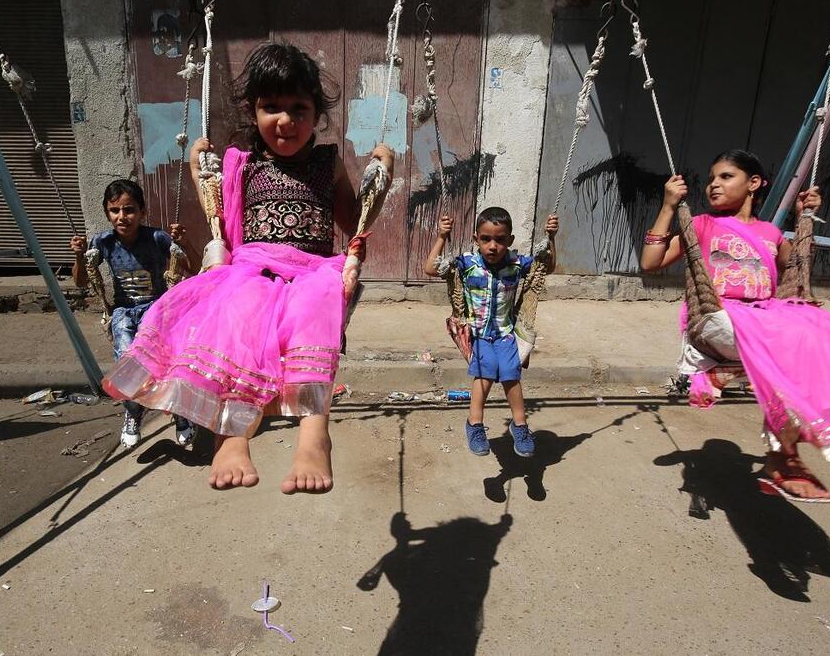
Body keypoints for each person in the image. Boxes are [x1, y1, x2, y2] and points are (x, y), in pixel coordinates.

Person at [103, 42, 394, 494]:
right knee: (238, 319)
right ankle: (231, 435)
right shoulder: (243, 164)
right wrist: (201, 168)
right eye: (271, 107)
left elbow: (351, 219)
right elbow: (223, 219)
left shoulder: (328, 162)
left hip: (313, 269)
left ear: (317, 114)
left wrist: (381, 176)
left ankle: (314, 435)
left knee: (316, 312)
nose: (286, 120)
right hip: (252, 267)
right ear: (252, 111)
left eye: (299, 108)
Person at [640, 149, 830, 503]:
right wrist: (668, 207)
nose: (713, 185)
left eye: (725, 176)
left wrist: (804, 221)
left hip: (766, 319)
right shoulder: (702, 225)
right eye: (711, 179)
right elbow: (651, 262)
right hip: (719, 318)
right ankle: (783, 458)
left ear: (754, 183)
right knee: (794, 341)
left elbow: (796, 273)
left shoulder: (770, 233)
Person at [423, 208, 559, 458]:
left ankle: (520, 426)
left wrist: (551, 238)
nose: (493, 246)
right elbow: (431, 268)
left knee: (510, 373)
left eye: (500, 240)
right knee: (485, 373)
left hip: (506, 333)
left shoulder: (517, 264)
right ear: (476, 239)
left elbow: (546, 268)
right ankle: (474, 424)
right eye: (486, 239)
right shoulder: (467, 264)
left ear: (510, 240)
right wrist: (442, 236)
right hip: (477, 333)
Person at [70, 180, 195, 449]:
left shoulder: (157, 238)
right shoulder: (102, 242)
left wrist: (183, 243)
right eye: (115, 210)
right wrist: (79, 256)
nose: (122, 217)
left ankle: (179, 412)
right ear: (107, 213)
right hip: (123, 312)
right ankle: (133, 412)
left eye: (129, 210)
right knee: (127, 367)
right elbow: (80, 282)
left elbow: (192, 268)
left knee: (166, 362)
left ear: (142, 212)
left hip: (157, 308)